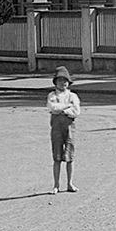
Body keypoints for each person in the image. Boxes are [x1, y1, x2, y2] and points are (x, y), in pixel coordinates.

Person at [46, 66, 80, 194]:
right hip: (56, 128)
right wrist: (67, 107)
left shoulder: (73, 96)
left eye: (65, 80)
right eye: (60, 80)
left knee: (69, 155)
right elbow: (52, 107)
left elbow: (76, 111)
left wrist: (64, 110)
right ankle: (56, 185)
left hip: (69, 128)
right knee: (57, 156)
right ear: (55, 82)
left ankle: (70, 183)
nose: (63, 83)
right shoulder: (52, 95)